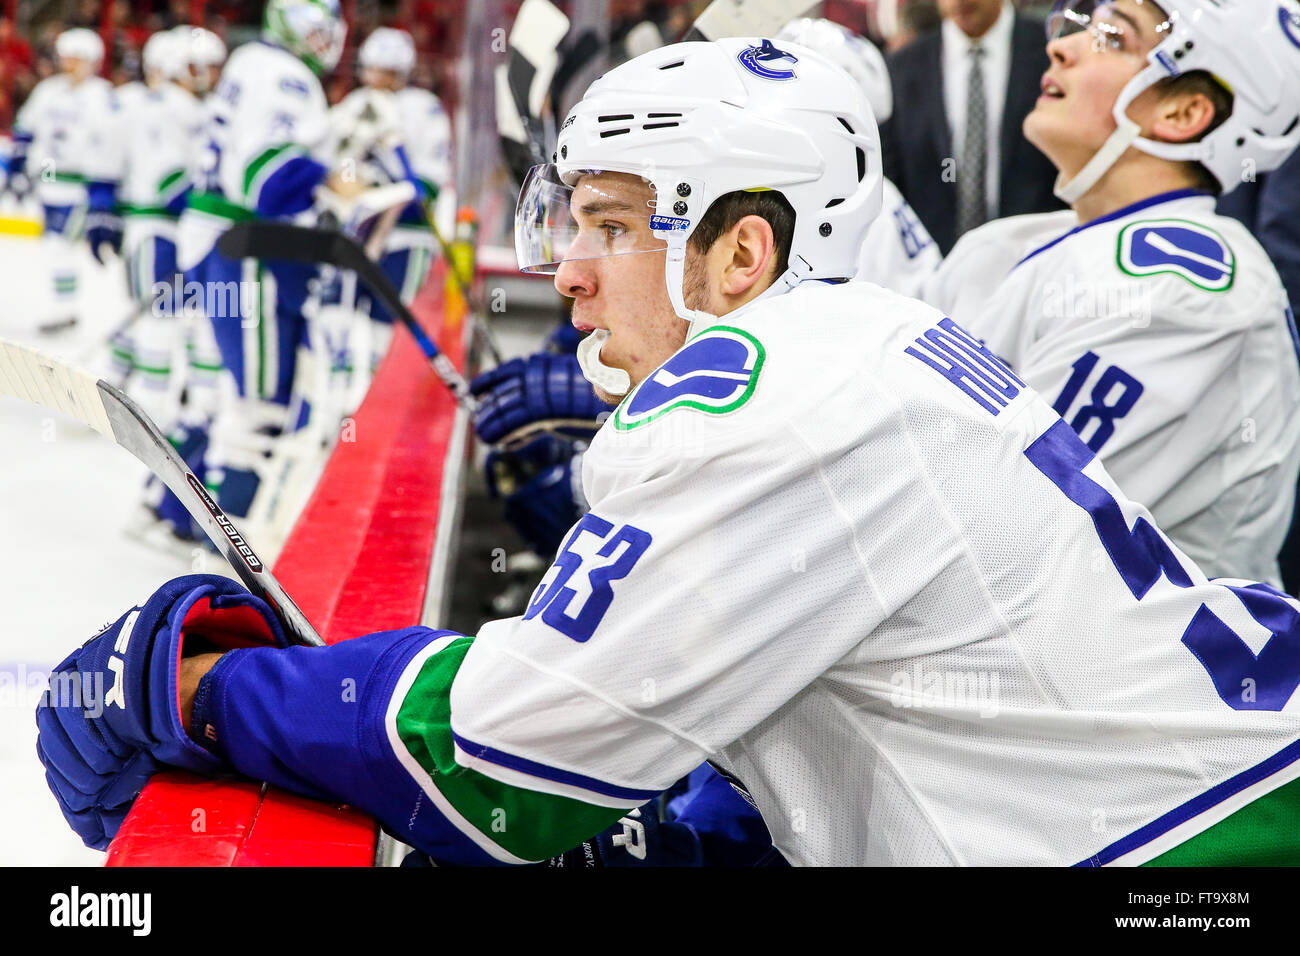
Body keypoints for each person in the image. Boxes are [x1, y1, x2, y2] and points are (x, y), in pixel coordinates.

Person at [37, 35, 1300, 867]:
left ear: (741, 253)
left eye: (611, 224)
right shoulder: (871, 335)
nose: (566, 270)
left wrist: (199, 689)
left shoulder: (776, 384)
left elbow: (509, 755)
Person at [924, 0, 1300, 585]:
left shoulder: (1186, 288)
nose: (1060, 46)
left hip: (1132, 669)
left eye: (1112, 38)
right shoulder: (1005, 245)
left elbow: (1007, 524)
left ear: (1183, 111)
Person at [883, 0, 1063, 253]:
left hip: (1036, 254)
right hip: (935, 267)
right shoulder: (900, 70)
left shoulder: (1054, 56)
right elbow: (891, 182)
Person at [7, 27, 122, 334]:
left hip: (81, 185)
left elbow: (110, 144)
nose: (69, 64)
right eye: (66, 58)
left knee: (59, 245)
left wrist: (103, 190)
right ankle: (64, 308)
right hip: (48, 180)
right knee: (52, 245)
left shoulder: (103, 95)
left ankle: (65, 309)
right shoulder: (49, 90)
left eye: (75, 58)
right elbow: (26, 130)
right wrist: (19, 171)